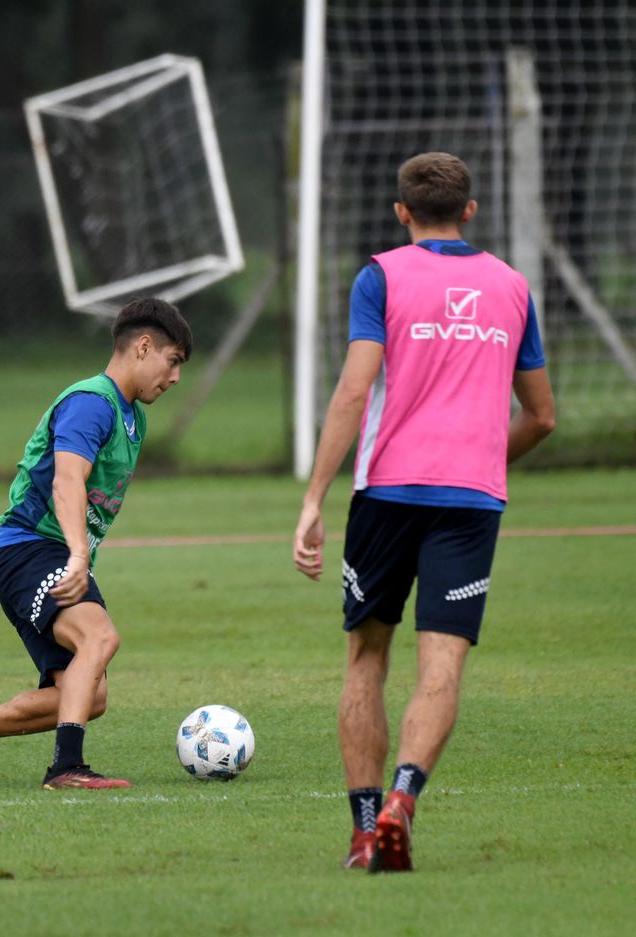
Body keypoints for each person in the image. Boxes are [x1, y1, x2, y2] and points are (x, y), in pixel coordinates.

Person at [292, 152, 555, 873]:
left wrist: (314, 498)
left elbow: (354, 390)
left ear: (402, 212)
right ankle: (403, 799)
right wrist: (482, 459)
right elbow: (542, 416)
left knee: (367, 656)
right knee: (443, 664)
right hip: (471, 500)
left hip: (386, 493)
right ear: (469, 211)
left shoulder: (380, 275)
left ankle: (362, 831)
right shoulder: (512, 286)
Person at [0, 298, 191, 791]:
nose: (175, 378)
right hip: (31, 550)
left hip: (45, 554)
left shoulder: (133, 417)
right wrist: (79, 555)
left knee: (88, 697)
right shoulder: (92, 402)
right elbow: (67, 481)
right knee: (99, 639)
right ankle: (66, 767)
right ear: (144, 347)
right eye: (173, 362)